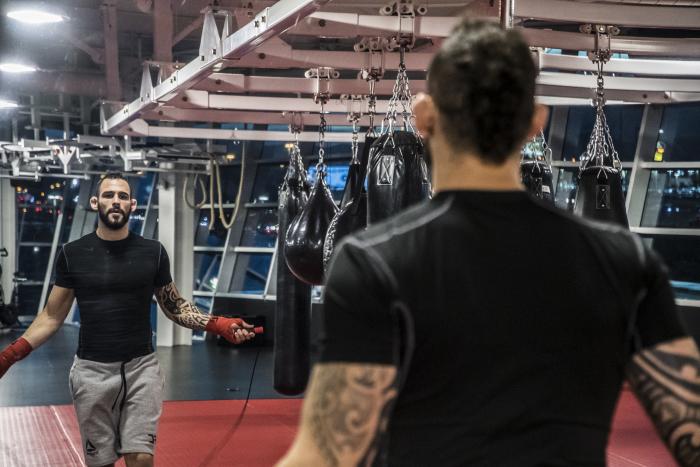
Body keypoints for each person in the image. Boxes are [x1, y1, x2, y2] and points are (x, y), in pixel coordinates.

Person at [277, 18, 700, 467]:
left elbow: (326, 453)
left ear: (424, 117)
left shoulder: (372, 264)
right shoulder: (623, 260)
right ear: (536, 122)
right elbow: (689, 424)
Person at [0, 172, 257, 467]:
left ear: (133, 205)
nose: (115, 201)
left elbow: (175, 306)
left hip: (142, 370)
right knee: (101, 463)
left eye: (122, 196)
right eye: (109, 195)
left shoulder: (153, 253)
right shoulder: (73, 254)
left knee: (141, 458)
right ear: (95, 202)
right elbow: (51, 315)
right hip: (91, 373)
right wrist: (9, 356)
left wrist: (219, 324)